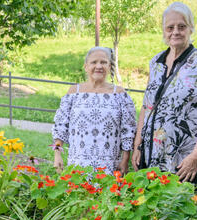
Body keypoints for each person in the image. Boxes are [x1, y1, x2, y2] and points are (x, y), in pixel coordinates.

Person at [131, 2, 197, 185]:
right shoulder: (156, 62)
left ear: (191, 28)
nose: (175, 32)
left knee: (181, 209)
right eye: (170, 27)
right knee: (151, 210)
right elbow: (147, 106)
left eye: (182, 26)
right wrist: (137, 145)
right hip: (150, 155)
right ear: (164, 31)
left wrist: (196, 156)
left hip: (183, 161)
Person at [52, 47, 136, 175]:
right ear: (86, 66)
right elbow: (61, 126)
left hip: (109, 166)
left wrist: (125, 160)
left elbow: (128, 130)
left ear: (109, 67)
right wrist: (57, 155)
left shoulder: (119, 94)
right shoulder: (74, 92)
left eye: (103, 62)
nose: (99, 66)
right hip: (78, 164)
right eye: (94, 62)